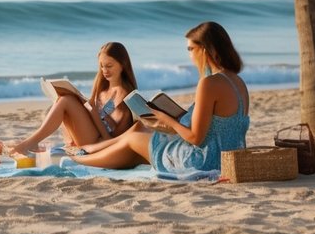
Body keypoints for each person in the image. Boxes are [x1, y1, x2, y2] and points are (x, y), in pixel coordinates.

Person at [73, 21, 249, 172]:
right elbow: (221, 129)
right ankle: (90, 151)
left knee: (133, 140)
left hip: (203, 162)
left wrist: (166, 118)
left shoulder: (209, 83)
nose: (189, 55)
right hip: (229, 160)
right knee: (140, 131)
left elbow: (196, 138)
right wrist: (177, 119)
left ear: (204, 50)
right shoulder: (238, 82)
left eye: (191, 48)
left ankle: (79, 161)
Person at [7, 41, 138, 156]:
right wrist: (86, 105)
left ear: (123, 64)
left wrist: (93, 114)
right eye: (102, 66)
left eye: (109, 66)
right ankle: (39, 142)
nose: (104, 71)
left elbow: (113, 139)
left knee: (66, 101)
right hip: (89, 133)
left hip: (99, 142)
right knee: (62, 99)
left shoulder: (125, 95)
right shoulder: (102, 88)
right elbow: (92, 111)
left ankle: (30, 143)